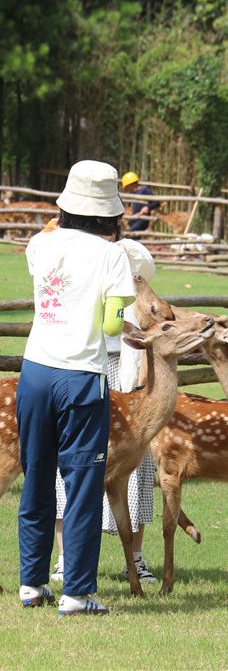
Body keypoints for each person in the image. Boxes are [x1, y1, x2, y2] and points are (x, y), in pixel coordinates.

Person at [16, 159, 136, 616]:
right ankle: (77, 592)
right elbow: (112, 325)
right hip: (82, 377)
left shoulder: (39, 244)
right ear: (110, 211)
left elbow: (51, 229)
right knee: (83, 484)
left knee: (38, 477)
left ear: (68, 201)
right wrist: (117, 312)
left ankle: (31, 584)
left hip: (35, 373)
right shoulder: (113, 257)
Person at [50, 232, 157, 585]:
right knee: (72, 460)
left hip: (128, 368)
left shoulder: (130, 257)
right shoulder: (77, 264)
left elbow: (143, 269)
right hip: (88, 367)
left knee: (137, 467)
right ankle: (66, 559)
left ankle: (136, 559)